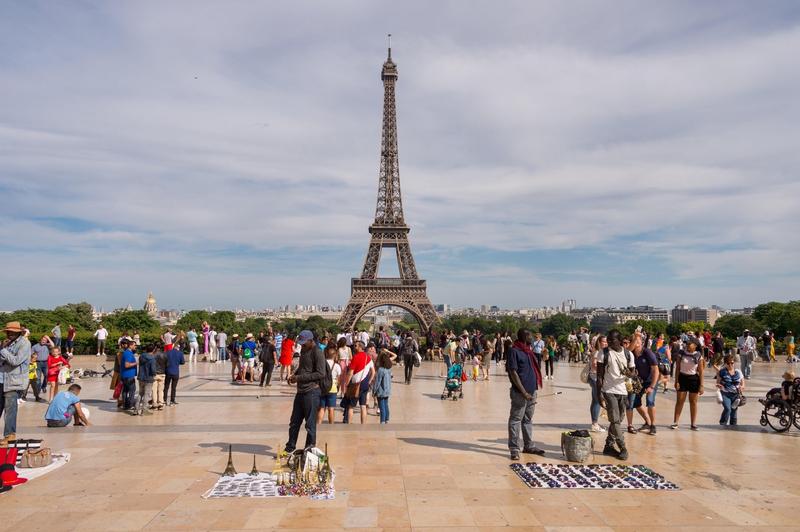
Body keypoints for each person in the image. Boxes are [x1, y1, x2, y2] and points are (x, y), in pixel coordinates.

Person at [284, 330, 327, 453]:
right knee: (294, 422)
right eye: (301, 343)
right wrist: (294, 375)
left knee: (310, 424)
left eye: (304, 343)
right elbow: (303, 368)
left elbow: (321, 373)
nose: (302, 345)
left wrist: (299, 378)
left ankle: (309, 449)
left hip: (312, 391)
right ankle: (290, 447)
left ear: (311, 340)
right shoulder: (304, 350)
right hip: (301, 391)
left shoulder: (317, 352)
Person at [506, 329, 545, 461]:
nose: (532, 338)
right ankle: (514, 449)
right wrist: (523, 392)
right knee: (516, 419)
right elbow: (513, 372)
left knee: (528, 419)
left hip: (532, 391)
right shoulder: (514, 351)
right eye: (529, 335)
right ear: (524, 336)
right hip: (520, 393)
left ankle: (528, 445)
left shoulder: (528, 351)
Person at [597, 329, 635, 460]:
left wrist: (630, 374)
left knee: (617, 421)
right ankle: (623, 447)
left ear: (619, 340)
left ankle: (608, 446)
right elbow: (599, 376)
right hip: (609, 391)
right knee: (615, 421)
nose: (608, 342)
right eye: (608, 339)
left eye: (611, 340)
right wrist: (599, 394)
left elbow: (632, 372)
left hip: (623, 391)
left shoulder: (628, 354)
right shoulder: (603, 353)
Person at [0, 322, 31, 444]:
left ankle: (9, 435)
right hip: (2, 378)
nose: (9, 334)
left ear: (18, 332)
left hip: (13, 382)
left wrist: (3, 350)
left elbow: (16, 361)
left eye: (12, 332)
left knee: (10, 410)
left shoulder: (24, 344)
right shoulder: (8, 343)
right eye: (8, 332)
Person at [626, 335, 659, 436]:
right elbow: (627, 351)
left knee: (650, 401)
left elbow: (655, 370)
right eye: (634, 340)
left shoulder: (647, 352)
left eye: (638, 340)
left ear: (642, 342)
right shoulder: (631, 353)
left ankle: (653, 426)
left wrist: (652, 386)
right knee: (636, 403)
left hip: (650, 381)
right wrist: (635, 338)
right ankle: (647, 422)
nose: (636, 342)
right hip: (638, 382)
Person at [671, 337, 704, 430]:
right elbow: (677, 368)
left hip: (694, 379)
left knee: (693, 402)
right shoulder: (681, 353)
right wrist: (676, 381)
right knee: (680, 401)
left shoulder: (698, 355)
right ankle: (675, 422)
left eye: (690, 344)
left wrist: (701, 385)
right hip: (682, 378)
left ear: (695, 345)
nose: (688, 345)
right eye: (687, 343)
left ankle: (693, 424)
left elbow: (701, 371)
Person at [343, 341, 375, 424]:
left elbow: (350, 373)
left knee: (351, 406)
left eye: (356, 346)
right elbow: (373, 371)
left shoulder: (356, 357)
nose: (354, 347)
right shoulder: (368, 358)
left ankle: (349, 424)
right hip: (365, 385)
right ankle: (363, 425)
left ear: (360, 347)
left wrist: (346, 384)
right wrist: (369, 381)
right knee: (363, 406)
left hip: (355, 385)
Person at [716, 354, 744, 427]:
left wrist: (741, 387)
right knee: (728, 409)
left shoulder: (738, 372)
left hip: (736, 395)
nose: (730, 365)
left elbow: (743, 383)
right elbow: (718, 382)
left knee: (734, 410)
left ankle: (733, 425)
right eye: (728, 363)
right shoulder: (722, 372)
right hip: (725, 393)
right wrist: (719, 385)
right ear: (725, 363)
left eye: (732, 363)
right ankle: (723, 423)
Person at [317, 345, 341, 425]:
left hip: (322, 388)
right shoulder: (337, 366)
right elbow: (338, 379)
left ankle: (318, 424)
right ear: (335, 355)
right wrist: (338, 387)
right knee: (331, 409)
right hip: (332, 388)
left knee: (321, 408)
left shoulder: (322, 364)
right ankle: (331, 425)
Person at [588, 335, 607, 433]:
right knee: (597, 401)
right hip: (595, 378)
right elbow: (594, 365)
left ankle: (594, 422)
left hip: (594, 378)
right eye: (603, 341)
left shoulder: (600, 352)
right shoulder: (598, 352)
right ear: (599, 342)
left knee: (595, 400)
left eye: (606, 342)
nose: (605, 343)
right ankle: (595, 424)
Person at [135, 344, 157, 416]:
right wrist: (154, 374)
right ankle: (144, 410)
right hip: (148, 378)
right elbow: (153, 370)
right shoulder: (152, 358)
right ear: (153, 350)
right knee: (147, 394)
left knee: (140, 393)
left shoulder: (141, 356)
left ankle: (136, 409)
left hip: (141, 377)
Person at [373, 349, 393, 424]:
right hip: (387, 390)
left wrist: (374, 391)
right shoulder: (389, 369)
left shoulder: (380, 370)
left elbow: (377, 382)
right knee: (386, 405)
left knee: (382, 407)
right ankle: (387, 418)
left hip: (381, 391)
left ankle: (382, 420)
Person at [120, 340, 138, 411]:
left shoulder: (127, 352)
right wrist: (136, 363)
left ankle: (125, 405)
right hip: (129, 375)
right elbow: (127, 365)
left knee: (125, 390)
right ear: (130, 345)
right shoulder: (128, 353)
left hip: (125, 375)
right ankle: (130, 405)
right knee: (132, 390)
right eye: (134, 345)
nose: (135, 346)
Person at [153, 345, 167, 410]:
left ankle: (155, 403)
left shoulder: (153, 355)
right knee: (161, 390)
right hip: (162, 373)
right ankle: (161, 403)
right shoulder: (165, 355)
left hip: (155, 374)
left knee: (154, 390)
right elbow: (167, 364)